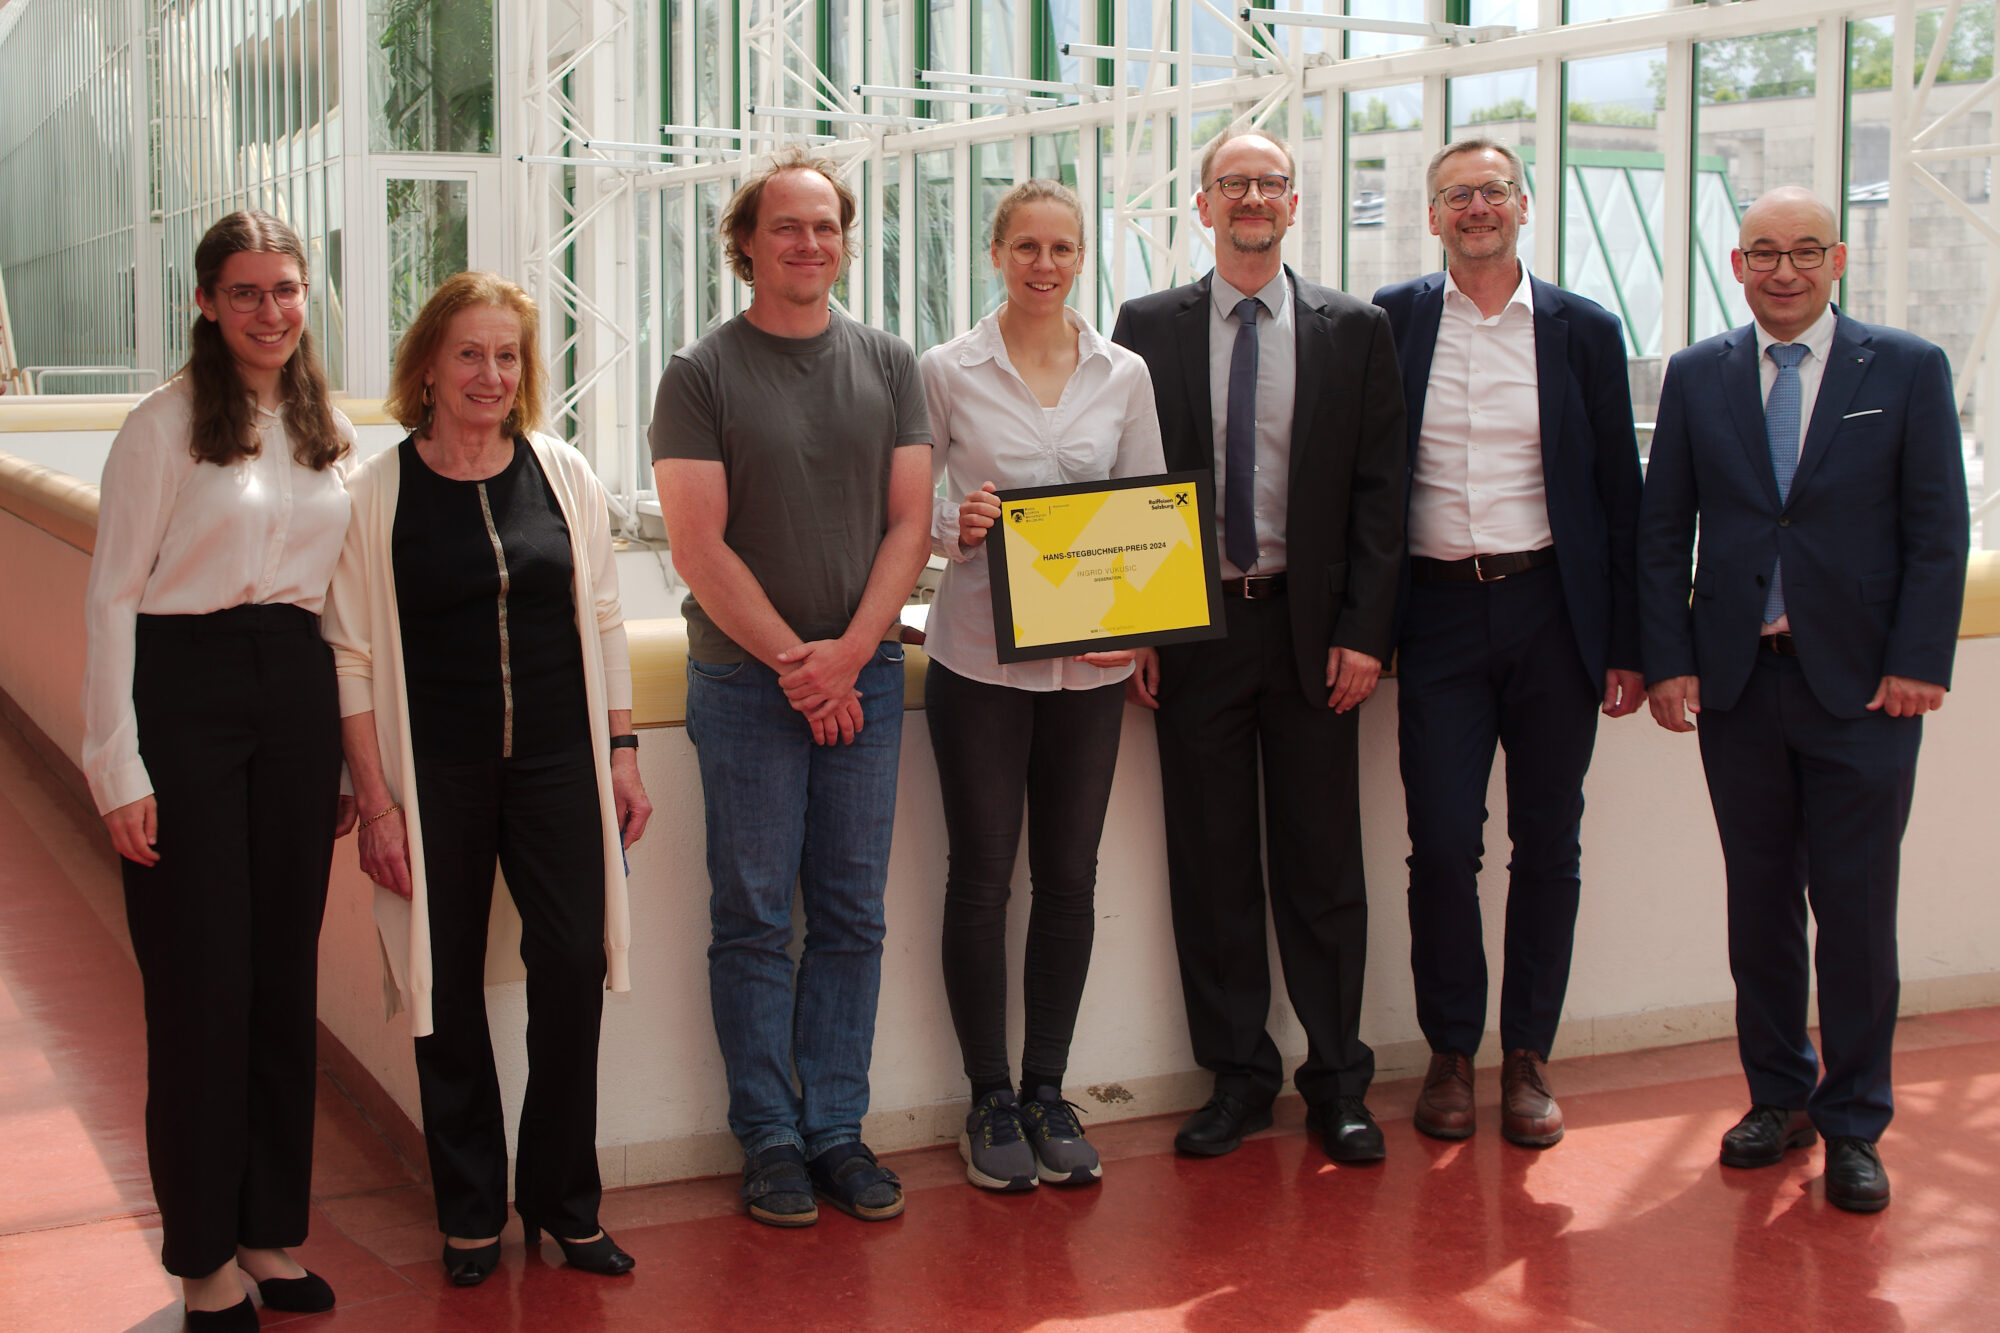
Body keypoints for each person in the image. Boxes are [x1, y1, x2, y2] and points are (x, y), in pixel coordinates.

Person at [1638, 186, 1968, 1213]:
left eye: (1805, 251)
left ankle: (1854, 1119)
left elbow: (1938, 528)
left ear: (1837, 261)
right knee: (1760, 902)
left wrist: (1918, 659)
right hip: (1738, 684)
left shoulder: (1904, 367)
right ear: (1737, 266)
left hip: (1866, 691)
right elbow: (1663, 531)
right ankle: (1777, 1096)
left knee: (1856, 911)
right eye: (1764, 253)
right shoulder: (1697, 374)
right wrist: (1668, 659)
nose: (1784, 270)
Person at [321, 271, 652, 1281]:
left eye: (508, 355)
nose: (490, 374)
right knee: (447, 985)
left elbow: (604, 616)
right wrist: (377, 802)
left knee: (572, 970)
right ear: (426, 365)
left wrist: (623, 750)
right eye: (468, 353)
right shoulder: (375, 493)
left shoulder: (562, 470)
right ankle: (470, 1210)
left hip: (558, 766)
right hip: (437, 776)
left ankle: (562, 1199)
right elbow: (352, 656)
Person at [80, 210, 354, 1329]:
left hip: (295, 694)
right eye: (244, 291)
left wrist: (347, 755)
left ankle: (264, 1235)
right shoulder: (162, 426)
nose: (268, 311)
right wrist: (117, 764)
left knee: (282, 979)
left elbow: (338, 601)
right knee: (201, 986)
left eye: (284, 289)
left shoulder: (325, 422)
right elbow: (110, 596)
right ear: (205, 302)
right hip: (183, 695)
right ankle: (201, 1259)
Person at [1111, 129, 1406, 1163]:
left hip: (1314, 636)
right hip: (1196, 631)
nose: (1251, 197)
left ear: (1292, 203)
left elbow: (1381, 492)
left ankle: (1337, 1081)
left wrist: (1364, 632)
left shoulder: (1354, 328)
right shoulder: (1146, 326)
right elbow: (1129, 481)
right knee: (1211, 863)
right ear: (1201, 205)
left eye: (1268, 183)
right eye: (1231, 183)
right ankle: (1236, 1075)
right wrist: (1139, 628)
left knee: (1323, 864)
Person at [650, 147, 932, 1226]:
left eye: (826, 226)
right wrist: (800, 668)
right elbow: (697, 545)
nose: (809, 243)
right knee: (755, 917)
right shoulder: (700, 373)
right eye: (787, 226)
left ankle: (837, 1132)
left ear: (844, 242)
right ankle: (769, 1135)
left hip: (864, 679)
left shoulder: (890, 363)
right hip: (744, 685)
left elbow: (909, 522)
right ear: (746, 245)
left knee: (853, 915)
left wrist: (849, 656)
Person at [1372, 139, 1644, 1149]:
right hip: (1437, 616)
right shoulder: (1392, 320)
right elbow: (1364, 481)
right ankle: (1451, 1049)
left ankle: (1527, 1054)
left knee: (1548, 841)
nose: (1476, 207)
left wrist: (1627, 642)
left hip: (1552, 614)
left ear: (1524, 205)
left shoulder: (1584, 330)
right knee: (1443, 842)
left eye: (1492, 191)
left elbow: (1621, 496)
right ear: (1432, 216)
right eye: (1456, 195)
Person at [919, 180, 1166, 1192]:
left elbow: (1149, 511)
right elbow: (913, 507)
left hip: (1091, 664)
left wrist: (1140, 629)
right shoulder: (946, 370)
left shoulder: (1123, 372)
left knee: (1070, 876)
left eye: (1061, 248)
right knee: (982, 876)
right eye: (1025, 246)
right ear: (996, 252)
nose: (1044, 264)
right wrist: (958, 525)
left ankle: (1047, 1091)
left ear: (1080, 259)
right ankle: (987, 1097)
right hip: (979, 654)